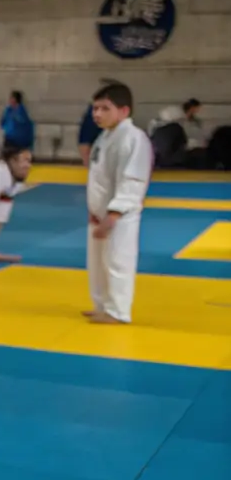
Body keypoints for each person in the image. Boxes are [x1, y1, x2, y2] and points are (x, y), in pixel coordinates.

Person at [86, 83, 152, 325]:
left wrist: (113, 214)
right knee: (97, 264)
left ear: (124, 111)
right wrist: (94, 210)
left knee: (117, 262)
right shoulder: (104, 137)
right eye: (95, 108)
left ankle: (119, 311)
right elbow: (99, 179)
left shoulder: (134, 139)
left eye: (104, 108)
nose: (97, 114)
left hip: (120, 215)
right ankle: (101, 304)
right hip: (99, 213)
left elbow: (132, 180)